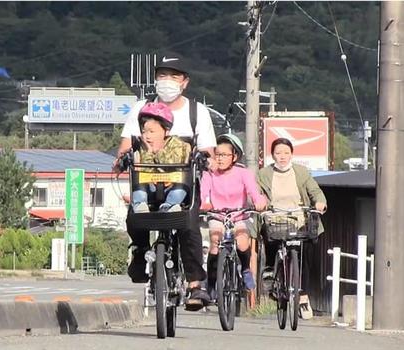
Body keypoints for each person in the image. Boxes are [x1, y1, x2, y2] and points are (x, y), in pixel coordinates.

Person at [114, 55, 217, 309]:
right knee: (135, 216)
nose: (167, 81)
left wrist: (206, 160)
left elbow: (209, 152)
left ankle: (195, 285)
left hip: (182, 185)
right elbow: (125, 147)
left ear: (185, 82)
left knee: (189, 226)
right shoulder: (141, 109)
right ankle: (139, 253)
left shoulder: (197, 112)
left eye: (173, 76)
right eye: (162, 76)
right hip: (147, 182)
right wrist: (121, 160)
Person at [258, 137, 327, 301]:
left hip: (298, 218)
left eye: (286, 153)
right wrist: (260, 203)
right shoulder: (264, 174)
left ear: (292, 155)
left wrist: (320, 202)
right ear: (272, 155)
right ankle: (270, 270)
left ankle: (302, 292)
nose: (282, 156)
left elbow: (315, 191)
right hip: (274, 218)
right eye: (278, 153)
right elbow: (257, 194)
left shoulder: (301, 172)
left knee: (304, 254)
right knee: (270, 238)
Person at [200, 134, 267, 299]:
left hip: (239, 215)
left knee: (243, 241)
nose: (220, 159)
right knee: (215, 244)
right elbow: (204, 194)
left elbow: (253, 192)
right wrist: (205, 203)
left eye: (224, 155)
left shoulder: (243, 173)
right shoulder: (209, 174)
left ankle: (245, 269)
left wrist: (259, 202)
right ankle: (211, 283)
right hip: (218, 215)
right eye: (217, 155)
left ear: (234, 156)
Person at [131, 102, 191, 213]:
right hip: (151, 186)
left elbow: (172, 164)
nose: (147, 136)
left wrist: (157, 151)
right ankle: (140, 205)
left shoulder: (178, 145)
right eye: (144, 132)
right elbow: (143, 170)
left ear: (166, 131)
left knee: (181, 187)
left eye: (152, 132)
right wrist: (148, 152)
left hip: (172, 185)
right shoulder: (142, 148)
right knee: (138, 185)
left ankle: (169, 206)